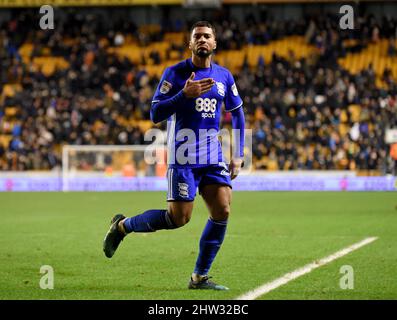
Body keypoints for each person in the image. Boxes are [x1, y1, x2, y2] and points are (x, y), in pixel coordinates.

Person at [103, 21, 245, 290]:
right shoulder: (175, 73)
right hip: (183, 155)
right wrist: (184, 94)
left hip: (212, 154)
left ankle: (199, 277)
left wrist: (237, 154)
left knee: (223, 209)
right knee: (178, 219)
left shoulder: (225, 76)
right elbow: (155, 114)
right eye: (197, 37)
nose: (202, 40)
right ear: (189, 44)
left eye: (207, 36)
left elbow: (237, 112)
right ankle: (122, 226)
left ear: (214, 44)